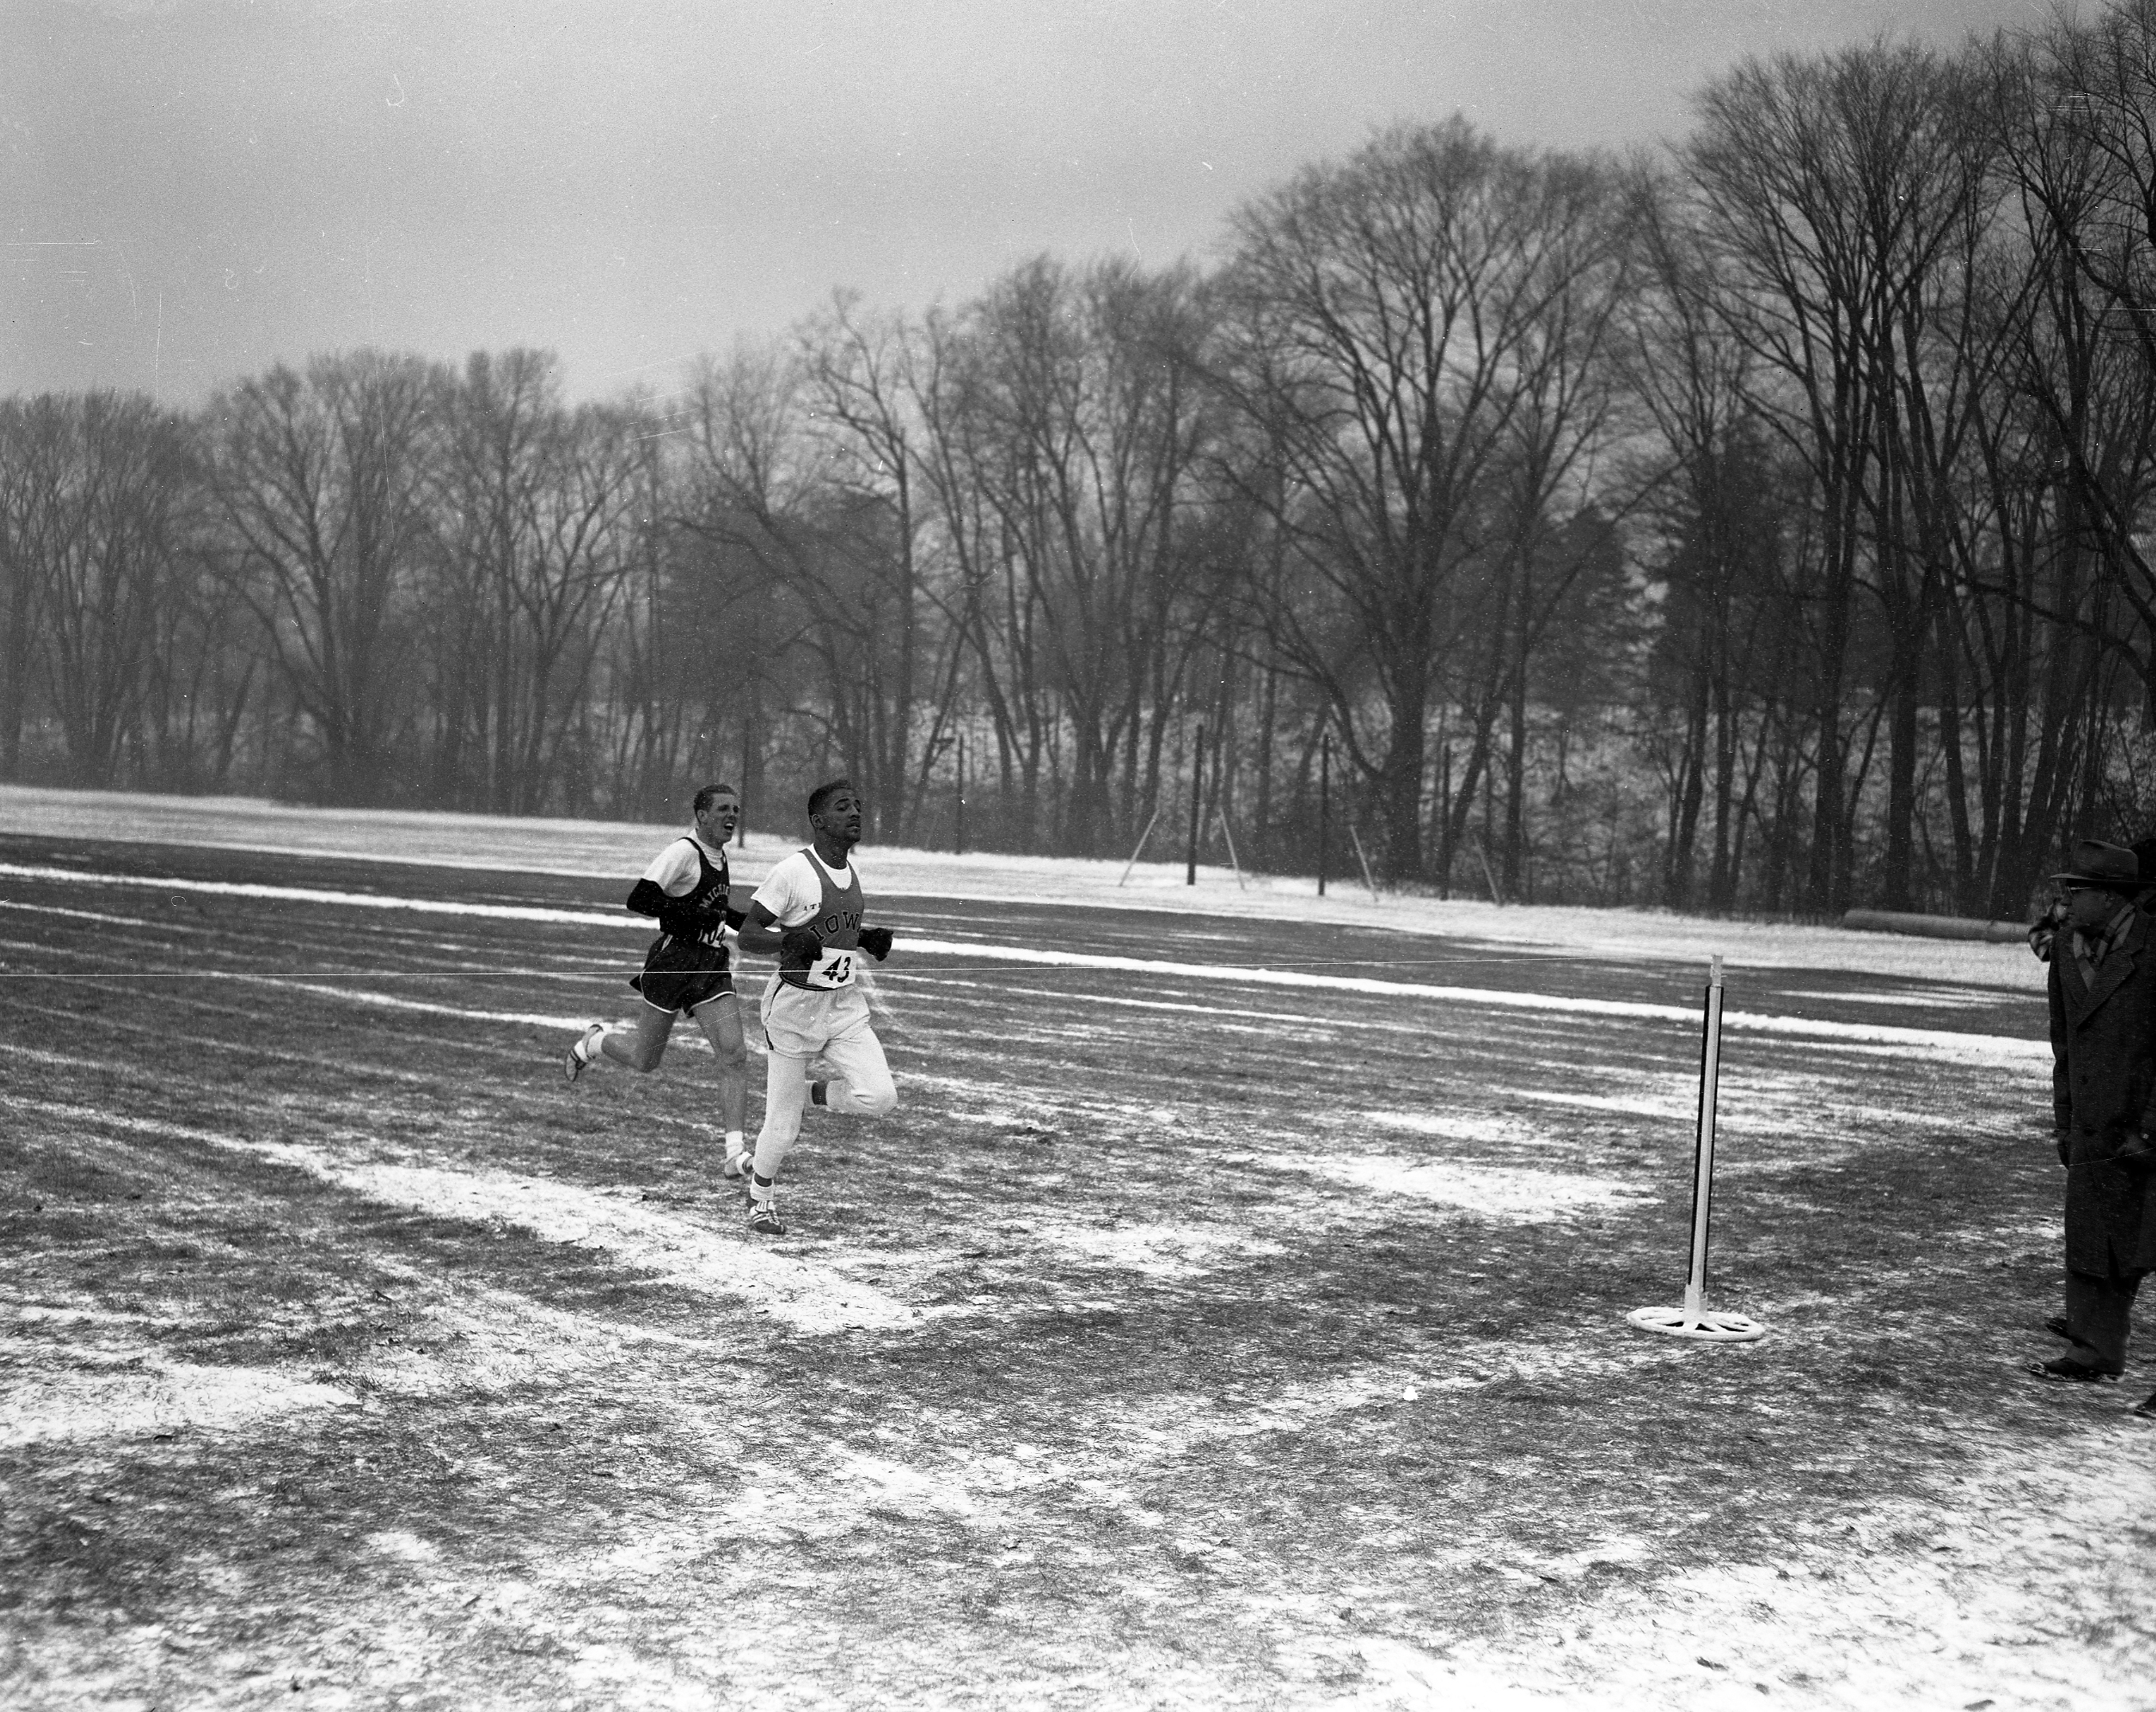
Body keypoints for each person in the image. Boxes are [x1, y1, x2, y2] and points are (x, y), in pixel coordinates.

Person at [731, 778, 899, 1235]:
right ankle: (760, 1199)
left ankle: (809, 1094)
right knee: (782, 1130)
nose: (855, 813)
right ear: (818, 820)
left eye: (858, 806)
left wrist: (865, 938)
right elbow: (748, 935)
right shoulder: (793, 870)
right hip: (794, 1010)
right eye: (843, 807)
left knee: (879, 1098)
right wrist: (789, 939)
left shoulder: (850, 870)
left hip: (844, 1007)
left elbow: (833, 931)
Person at [564, 784, 751, 1177]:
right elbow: (641, 898)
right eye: (722, 809)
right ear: (701, 815)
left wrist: (750, 926)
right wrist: (689, 917)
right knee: (644, 1060)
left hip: (710, 965)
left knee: (734, 1055)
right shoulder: (684, 851)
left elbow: (713, 910)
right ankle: (593, 1042)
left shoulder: (719, 855)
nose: (731, 816)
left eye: (734, 809)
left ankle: (735, 1154)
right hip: (673, 961)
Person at [2036, 838, 2156, 1410]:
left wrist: (2151, 1128)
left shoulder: (2154, 949)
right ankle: (2093, 1349)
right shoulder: (2064, 947)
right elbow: (2064, 1041)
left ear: (2111, 897)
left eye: (2078, 890)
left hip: (2144, 1127)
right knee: (2092, 1238)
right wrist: (2065, 1121)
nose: (2066, 900)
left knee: (2145, 1244)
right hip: (2091, 1124)